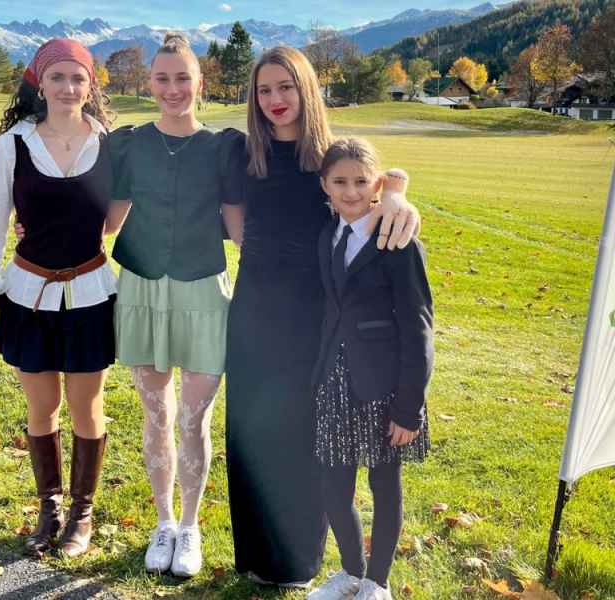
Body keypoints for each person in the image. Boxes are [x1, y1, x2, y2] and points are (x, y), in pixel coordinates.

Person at [15, 33, 244, 576]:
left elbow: (243, 232)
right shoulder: (129, 144)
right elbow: (105, 220)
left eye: (182, 78)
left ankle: (189, 527)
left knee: (195, 420)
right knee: (156, 415)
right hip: (140, 287)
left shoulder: (224, 147)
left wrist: (381, 201)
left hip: (203, 290)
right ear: (150, 83)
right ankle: (163, 523)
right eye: (162, 78)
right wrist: (41, 228)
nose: (172, 88)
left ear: (200, 83)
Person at [223, 46, 421, 588]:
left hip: (315, 318)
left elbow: (378, 182)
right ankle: (257, 557)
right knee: (252, 430)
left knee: (302, 434)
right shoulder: (244, 153)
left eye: (286, 86)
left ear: (306, 89)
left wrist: (399, 195)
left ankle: (295, 562)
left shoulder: (328, 158)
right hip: (254, 310)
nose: (275, 99)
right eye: (264, 89)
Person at [0, 38, 119, 559]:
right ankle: (49, 511)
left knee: (86, 407)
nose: (68, 87)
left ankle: (81, 515)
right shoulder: (14, 144)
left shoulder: (110, 144)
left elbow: (116, 219)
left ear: (91, 85)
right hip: (28, 295)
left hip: (91, 294)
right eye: (58, 77)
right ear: (40, 83)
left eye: (78, 78)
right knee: (42, 406)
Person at [306, 137, 433, 600]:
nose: (351, 191)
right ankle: (351, 572)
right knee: (334, 487)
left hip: (385, 386)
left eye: (361, 182)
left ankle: (378, 582)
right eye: (340, 182)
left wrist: (409, 408)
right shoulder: (328, 235)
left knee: (384, 483)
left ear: (377, 184)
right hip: (335, 381)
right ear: (325, 185)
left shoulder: (397, 241)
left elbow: (419, 326)